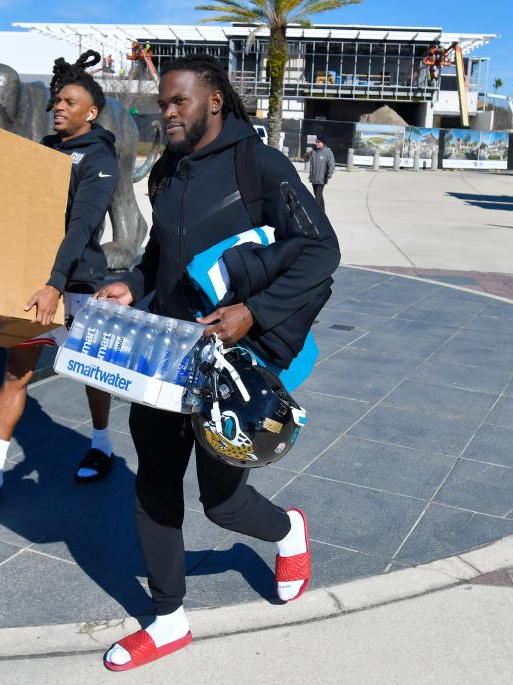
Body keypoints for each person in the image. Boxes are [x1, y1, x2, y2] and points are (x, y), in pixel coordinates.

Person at [95, 54, 340, 671]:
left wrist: (253, 313)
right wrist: (131, 282)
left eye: (178, 102)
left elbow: (321, 249)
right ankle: (169, 618)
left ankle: (288, 532)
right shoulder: (168, 171)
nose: (167, 113)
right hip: (166, 352)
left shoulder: (257, 164)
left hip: (230, 358)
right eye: (162, 104)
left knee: (222, 502)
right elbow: (161, 251)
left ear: (214, 102)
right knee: (153, 481)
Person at [0, 51, 120, 498]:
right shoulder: (44, 151)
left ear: (91, 112)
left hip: (75, 285)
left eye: (70, 102)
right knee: (16, 373)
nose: (59, 107)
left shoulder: (100, 159)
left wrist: (56, 283)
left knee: (92, 374)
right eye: (57, 100)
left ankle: (101, 444)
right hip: (35, 282)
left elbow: (83, 225)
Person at [308, 135, 336, 212]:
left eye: (318, 142)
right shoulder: (313, 151)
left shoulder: (328, 153)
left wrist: (328, 176)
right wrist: (307, 155)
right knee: (319, 195)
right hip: (313, 178)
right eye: (316, 142)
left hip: (322, 179)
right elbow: (305, 159)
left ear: (323, 143)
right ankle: (322, 212)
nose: (316, 143)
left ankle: (313, 211)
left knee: (318, 196)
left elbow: (332, 165)